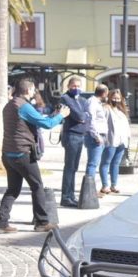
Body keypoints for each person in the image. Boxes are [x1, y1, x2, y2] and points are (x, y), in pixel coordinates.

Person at [0, 79, 70, 234]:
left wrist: (54, 114)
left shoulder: (9, 105)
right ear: (28, 90)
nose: (34, 91)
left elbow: (37, 120)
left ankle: (1, 223)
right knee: (37, 187)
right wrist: (61, 115)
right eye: (33, 89)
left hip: (8, 153)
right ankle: (42, 222)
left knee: (13, 190)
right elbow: (47, 124)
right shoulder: (24, 106)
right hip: (22, 153)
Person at [60, 77, 88, 207]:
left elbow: (88, 115)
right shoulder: (65, 98)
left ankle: (71, 195)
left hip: (80, 135)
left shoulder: (82, 100)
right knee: (69, 167)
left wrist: (83, 117)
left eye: (78, 86)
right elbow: (79, 116)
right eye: (73, 86)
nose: (76, 88)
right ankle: (66, 197)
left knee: (74, 168)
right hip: (71, 135)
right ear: (68, 86)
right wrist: (83, 116)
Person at [99, 89, 130, 195]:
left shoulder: (121, 110)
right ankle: (105, 186)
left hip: (122, 141)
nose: (116, 100)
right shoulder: (106, 108)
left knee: (116, 163)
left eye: (118, 98)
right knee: (105, 163)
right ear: (109, 97)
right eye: (114, 98)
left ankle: (114, 185)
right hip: (111, 140)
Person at [84, 85, 110, 189]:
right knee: (92, 164)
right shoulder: (92, 102)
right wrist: (96, 136)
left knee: (94, 163)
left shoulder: (97, 103)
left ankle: (91, 188)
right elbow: (91, 120)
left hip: (100, 135)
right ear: (104, 93)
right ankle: (89, 189)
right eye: (107, 93)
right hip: (94, 136)